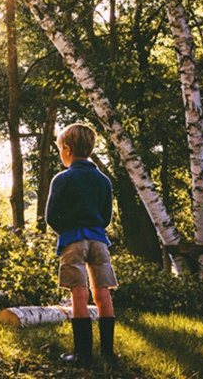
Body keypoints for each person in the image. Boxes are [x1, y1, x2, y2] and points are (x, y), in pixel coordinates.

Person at [45, 123, 117, 368]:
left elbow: (51, 216)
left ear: (67, 149)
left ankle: (82, 354)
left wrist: (67, 230)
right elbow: (107, 216)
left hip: (73, 239)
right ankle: (108, 352)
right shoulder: (103, 181)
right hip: (99, 240)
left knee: (79, 292)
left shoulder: (62, 179)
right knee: (103, 290)